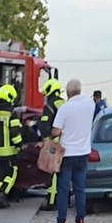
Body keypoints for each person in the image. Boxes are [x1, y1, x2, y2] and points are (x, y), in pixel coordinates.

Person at [47, 79, 95, 223]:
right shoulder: (90, 104)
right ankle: (80, 220)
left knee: (63, 188)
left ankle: (62, 221)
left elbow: (56, 130)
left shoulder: (65, 108)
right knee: (80, 188)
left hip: (67, 154)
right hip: (83, 153)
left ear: (68, 92)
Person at [37, 78, 65, 212]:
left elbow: (44, 124)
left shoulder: (49, 105)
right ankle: (62, 198)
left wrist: (43, 136)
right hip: (65, 141)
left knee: (52, 171)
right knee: (62, 171)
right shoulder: (64, 103)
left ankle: (51, 200)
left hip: (54, 142)